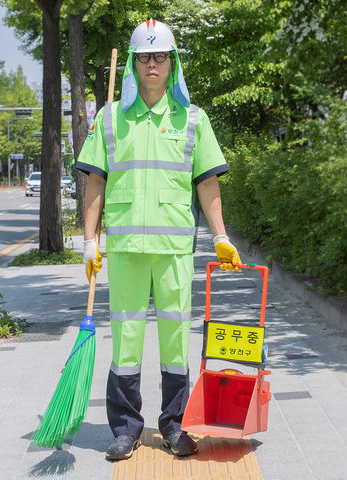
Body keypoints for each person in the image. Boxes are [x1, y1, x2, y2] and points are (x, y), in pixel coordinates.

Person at [74, 19, 241, 461]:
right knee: (126, 341)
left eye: (160, 57)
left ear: (172, 63)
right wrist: (89, 240)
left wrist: (221, 235)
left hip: (173, 251)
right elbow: (95, 183)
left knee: (174, 341)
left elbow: (207, 183)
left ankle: (174, 426)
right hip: (127, 251)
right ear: (132, 62)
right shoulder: (110, 119)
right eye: (144, 57)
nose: (152, 64)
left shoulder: (192, 119)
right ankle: (126, 430)